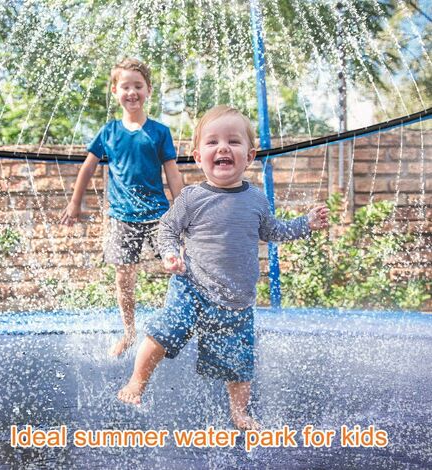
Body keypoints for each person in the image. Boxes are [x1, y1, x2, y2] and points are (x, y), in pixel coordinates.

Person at [118, 105, 329, 430]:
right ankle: (137, 382)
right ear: (199, 156)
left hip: (235, 300)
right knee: (160, 334)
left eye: (233, 141)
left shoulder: (257, 199)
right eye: (213, 142)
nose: (223, 148)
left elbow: (272, 231)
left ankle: (239, 412)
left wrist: (305, 223)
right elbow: (167, 229)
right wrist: (170, 254)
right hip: (191, 289)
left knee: (238, 364)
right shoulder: (191, 198)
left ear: (249, 155)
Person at [61, 58, 184, 356]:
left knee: (178, 265)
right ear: (115, 91)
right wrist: (75, 203)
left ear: (148, 91)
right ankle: (129, 332)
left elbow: (172, 172)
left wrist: (184, 210)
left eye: (138, 86)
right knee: (124, 278)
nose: (132, 92)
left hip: (158, 215)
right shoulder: (109, 132)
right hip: (121, 217)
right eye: (125, 86)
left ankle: (179, 323)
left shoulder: (159, 132)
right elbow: (87, 169)